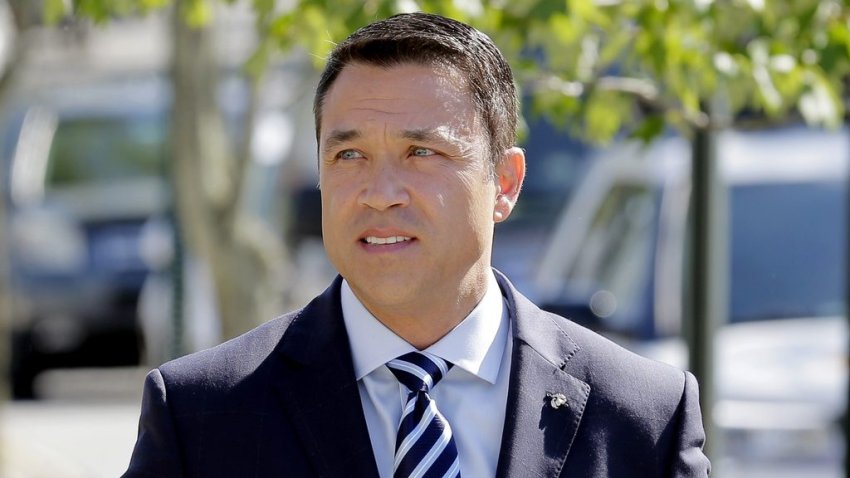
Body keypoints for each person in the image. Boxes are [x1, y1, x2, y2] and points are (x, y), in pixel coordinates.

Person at [123, 12, 710, 478]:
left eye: (421, 153)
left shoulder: (641, 417)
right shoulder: (201, 416)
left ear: (504, 183)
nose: (379, 194)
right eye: (349, 155)